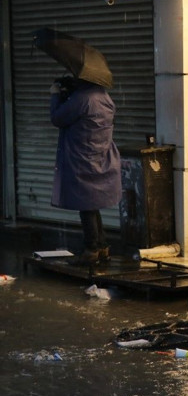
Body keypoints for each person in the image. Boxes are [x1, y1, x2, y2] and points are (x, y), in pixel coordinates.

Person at [50, 77, 121, 266]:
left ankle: (91, 250)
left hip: (81, 157)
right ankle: (102, 245)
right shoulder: (104, 96)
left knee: (86, 205)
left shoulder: (83, 98)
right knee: (92, 204)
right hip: (100, 155)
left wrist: (56, 95)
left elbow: (57, 118)